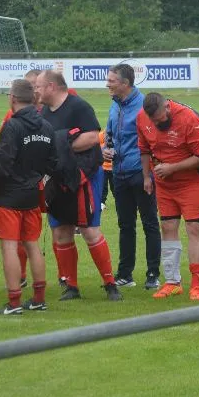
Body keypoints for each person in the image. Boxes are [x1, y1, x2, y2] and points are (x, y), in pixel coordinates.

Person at [35, 70, 121, 301]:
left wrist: (59, 146)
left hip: (84, 176)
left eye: (39, 86)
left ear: (51, 86)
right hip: (57, 177)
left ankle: (110, 284)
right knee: (61, 231)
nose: (36, 91)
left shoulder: (78, 106)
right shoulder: (44, 112)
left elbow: (92, 138)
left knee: (89, 230)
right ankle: (71, 286)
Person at [0, 79, 58, 315]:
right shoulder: (46, 126)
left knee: (9, 246)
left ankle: (14, 301)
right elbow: (52, 162)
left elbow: (2, 162)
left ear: (13, 98)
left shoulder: (12, 125)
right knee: (32, 245)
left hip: (9, 195)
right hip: (32, 193)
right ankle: (39, 298)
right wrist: (36, 179)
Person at [137, 92, 199, 301]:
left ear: (167, 108)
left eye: (160, 119)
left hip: (193, 181)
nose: (156, 124)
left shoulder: (190, 119)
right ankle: (172, 282)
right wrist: (146, 177)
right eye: (153, 121)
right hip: (164, 183)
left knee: (194, 228)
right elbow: (144, 149)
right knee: (167, 227)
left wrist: (172, 168)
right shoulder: (141, 118)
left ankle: (196, 284)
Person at [104, 64, 161, 290]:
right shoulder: (114, 105)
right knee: (125, 225)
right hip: (119, 173)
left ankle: (153, 274)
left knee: (149, 223)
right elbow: (109, 135)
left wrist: (148, 174)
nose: (107, 84)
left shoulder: (144, 106)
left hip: (141, 173)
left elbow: (154, 141)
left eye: (111, 81)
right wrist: (106, 150)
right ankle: (125, 274)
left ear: (125, 83)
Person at [99, 130, 113, 211]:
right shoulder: (101, 135)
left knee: (114, 186)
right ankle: (102, 202)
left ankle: (120, 201)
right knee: (103, 186)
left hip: (113, 168)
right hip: (103, 167)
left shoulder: (115, 134)